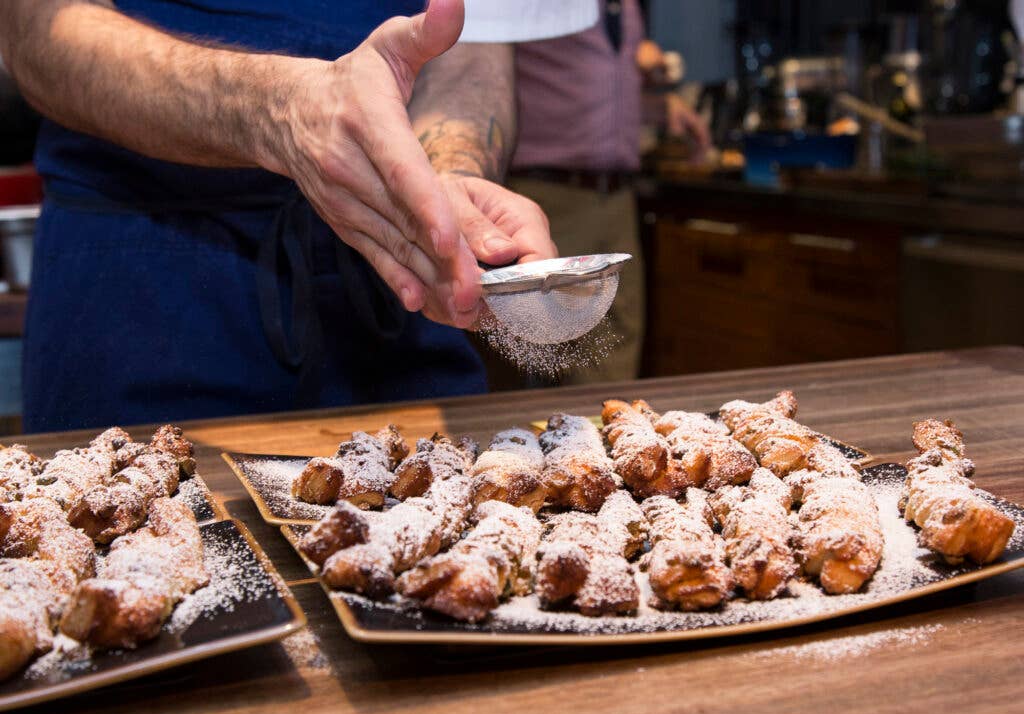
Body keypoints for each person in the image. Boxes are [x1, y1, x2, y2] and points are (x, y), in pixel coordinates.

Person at [0, 0, 596, 432]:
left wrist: (445, 180)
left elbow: (470, 52)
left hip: (393, 277)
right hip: (143, 275)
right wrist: (278, 111)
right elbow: (38, 36)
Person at [508, 0, 710, 385]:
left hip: (616, 197)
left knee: (615, 348)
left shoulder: (626, 7)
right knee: (545, 361)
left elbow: (587, 86)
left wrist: (655, 108)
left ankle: (609, 442)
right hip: (546, 196)